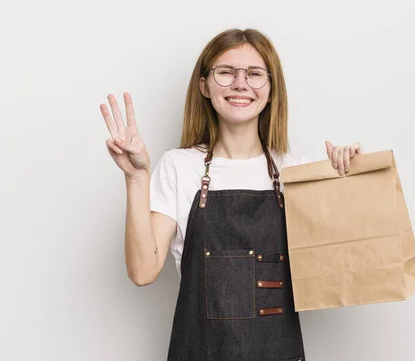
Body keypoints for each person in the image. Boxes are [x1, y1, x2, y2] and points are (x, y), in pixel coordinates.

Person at [100, 28, 361, 361]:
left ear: (270, 88)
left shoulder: (296, 172)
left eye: (254, 74)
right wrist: (136, 177)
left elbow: (343, 269)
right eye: (226, 72)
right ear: (205, 86)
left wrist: (351, 179)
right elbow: (142, 271)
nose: (241, 84)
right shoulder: (179, 167)